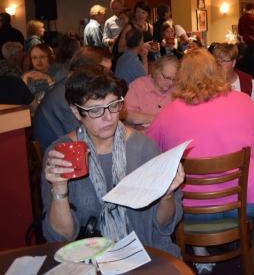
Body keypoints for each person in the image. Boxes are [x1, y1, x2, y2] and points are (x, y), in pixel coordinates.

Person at [148, 49, 254, 275]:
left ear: (181, 77)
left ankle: (202, 257)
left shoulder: (167, 113)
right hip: (251, 199)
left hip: (191, 208)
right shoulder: (243, 101)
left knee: (182, 185)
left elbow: (151, 154)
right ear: (216, 71)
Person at [42, 65, 184, 255]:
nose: (108, 117)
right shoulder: (61, 154)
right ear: (76, 112)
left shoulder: (144, 148)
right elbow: (62, 237)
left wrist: (167, 196)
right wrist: (59, 188)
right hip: (88, 257)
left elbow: (163, 224)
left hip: (146, 251)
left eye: (113, 105)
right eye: (95, 110)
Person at [32, 47, 113, 149]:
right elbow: (85, 141)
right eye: (102, 73)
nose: (107, 79)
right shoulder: (66, 97)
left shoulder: (69, 87)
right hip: (60, 156)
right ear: (86, 70)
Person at [124, 55, 178, 129]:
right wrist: (158, 119)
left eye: (174, 79)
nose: (171, 83)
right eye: (167, 78)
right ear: (156, 71)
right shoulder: (138, 86)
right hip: (141, 136)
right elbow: (127, 115)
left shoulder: (176, 90)